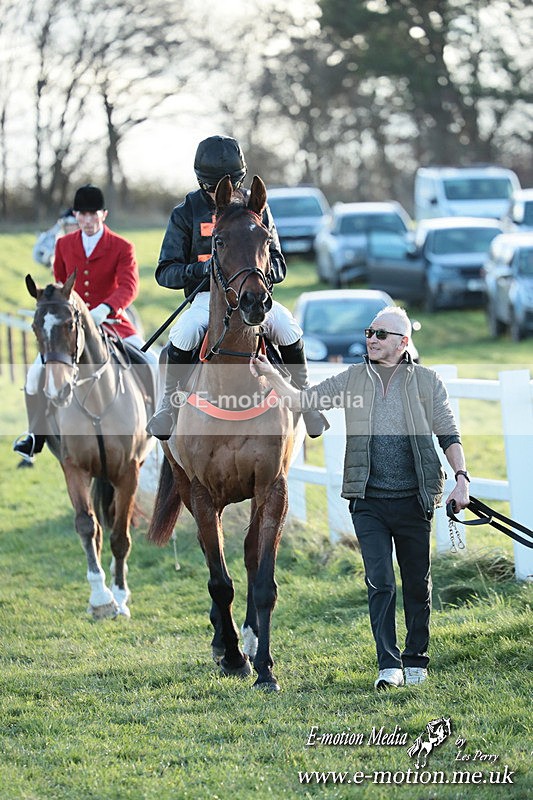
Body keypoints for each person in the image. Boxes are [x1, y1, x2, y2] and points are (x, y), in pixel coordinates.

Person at [250, 306, 470, 690]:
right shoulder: (353, 379)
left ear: (403, 343)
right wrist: (271, 375)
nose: (371, 338)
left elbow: (448, 433)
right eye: (369, 331)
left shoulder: (427, 382)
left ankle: (416, 658)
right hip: (367, 499)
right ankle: (389, 665)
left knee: (417, 583)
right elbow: (304, 401)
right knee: (380, 582)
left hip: (415, 498)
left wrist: (462, 479)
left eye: (381, 334)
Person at [146, 134, 328, 441]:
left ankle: (306, 402)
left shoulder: (257, 209)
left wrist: (258, 275)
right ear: (203, 183)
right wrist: (203, 269)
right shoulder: (185, 213)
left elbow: (279, 263)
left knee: (287, 327)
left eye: (228, 185)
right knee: (185, 332)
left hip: (252, 295)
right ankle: (168, 406)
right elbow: (165, 272)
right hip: (208, 298)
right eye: (215, 187)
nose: (223, 192)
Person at [14, 183, 148, 463]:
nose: (87, 220)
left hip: (112, 321)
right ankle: (35, 435)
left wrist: (106, 308)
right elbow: (59, 285)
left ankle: (158, 426)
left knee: (152, 362)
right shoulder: (63, 245)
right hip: (70, 329)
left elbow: (130, 285)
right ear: (75, 215)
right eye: (82, 215)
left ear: (104, 214)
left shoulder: (122, 246)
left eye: (93, 214)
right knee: (33, 374)